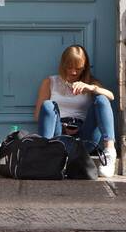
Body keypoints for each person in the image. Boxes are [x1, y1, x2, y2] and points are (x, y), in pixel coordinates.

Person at [33, 44, 117, 179]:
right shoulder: (50, 82)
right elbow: (38, 115)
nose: (73, 72)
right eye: (69, 67)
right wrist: (62, 125)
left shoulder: (89, 83)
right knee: (48, 105)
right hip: (59, 135)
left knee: (102, 99)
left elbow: (111, 97)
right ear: (62, 64)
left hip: (84, 137)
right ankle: (46, 156)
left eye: (78, 69)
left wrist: (91, 88)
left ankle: (110, 152)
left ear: (85, 67)